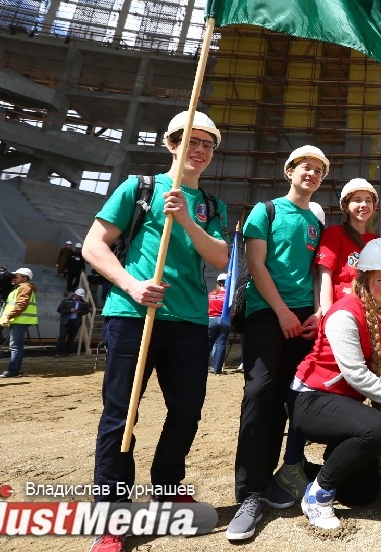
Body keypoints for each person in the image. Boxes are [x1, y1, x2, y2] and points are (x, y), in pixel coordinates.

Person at [82, 111, 228, 552]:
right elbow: (94, 245)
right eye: (190, 141)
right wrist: (131, 284)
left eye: (206, 143)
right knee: (121, 416)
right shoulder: (139, 188)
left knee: (187, 411)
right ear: (171, 143)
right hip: (132, 317)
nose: (198, 150)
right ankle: (111, 515)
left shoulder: (211, 206)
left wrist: (185, 218)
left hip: (187, 322)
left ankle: (167, 485)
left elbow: (220, 257)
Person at [286, 239, 381, 530]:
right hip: (311, 399)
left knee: (362, 494)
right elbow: (356, 374)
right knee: (377, 428)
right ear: (365, 278)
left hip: (344, 405)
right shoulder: (345, 312)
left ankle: (320, 467)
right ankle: (318, 495)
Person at [229, 145, 329, 540]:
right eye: (306, 167)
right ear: (289, 170)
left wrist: (314, 315)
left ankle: (272, 476)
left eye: (319, 170)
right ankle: (249, 492)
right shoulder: (265, 210)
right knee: (258, 393)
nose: (312, 174)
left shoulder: (315, 223)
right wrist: (282, 311)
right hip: (267, 316)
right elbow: (256, 264)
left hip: (303, 322)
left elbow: (315, 273)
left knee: (290, 398)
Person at [317, 179, 379, 314]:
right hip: (341, 310)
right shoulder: (334, 234)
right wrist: (328, 315)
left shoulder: (376, 241)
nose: (364, 205)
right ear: (345, 206)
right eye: (357, 200)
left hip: (369, 312)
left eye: (368, 200)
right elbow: (324, 277)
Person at [0, 267, 38, 378]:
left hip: (19, 320)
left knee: (15, 346)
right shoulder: (17, 288)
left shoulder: (24, 288)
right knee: (16, 346)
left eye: (16, 276)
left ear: (24, 278)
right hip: (17, 320)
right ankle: (14, 370)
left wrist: (8, 317)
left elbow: (21, 304)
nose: (13, 278)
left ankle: (13, 371)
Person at [55, 288, 89, 358]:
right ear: (74, 294)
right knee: (62, 337)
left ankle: (66, 353)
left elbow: (86, 311)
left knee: (71, 338)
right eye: (77, 296)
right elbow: (59, 309)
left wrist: (79, 312)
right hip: (66, 322)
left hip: (75, 322)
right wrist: (69, 310)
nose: (78, 297)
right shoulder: (66, 301)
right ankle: (58, 352)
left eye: (80, 296)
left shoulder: (84, 303)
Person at [207, 274, 230, 374]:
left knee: (208, 344)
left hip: (211, 319)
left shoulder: (211, 294)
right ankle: (217, 369)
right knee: (221, 344)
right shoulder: (228, 295)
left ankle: (204, 365)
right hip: (224, 320)